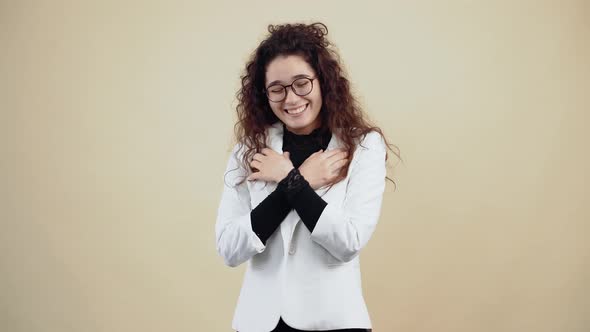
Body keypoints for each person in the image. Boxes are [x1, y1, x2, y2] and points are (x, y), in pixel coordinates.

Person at [215, 22, 399, 332]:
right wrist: (298, 182)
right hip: (259, 321)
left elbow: (349, 241)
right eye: (277, 89)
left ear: (323, 81)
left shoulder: (363, 146)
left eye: (302, 83)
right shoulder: (249, 150)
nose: (291, 99)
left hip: (333, 321)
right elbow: (230, 248)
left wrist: (288, 177)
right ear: (264, 93)